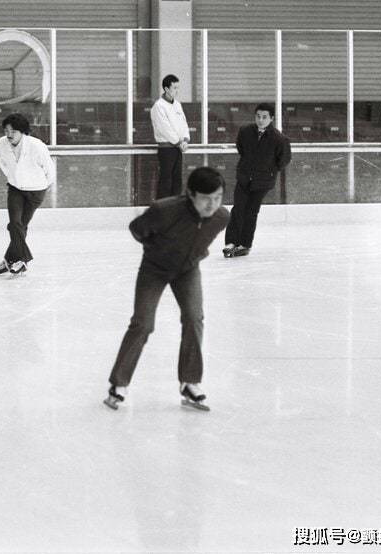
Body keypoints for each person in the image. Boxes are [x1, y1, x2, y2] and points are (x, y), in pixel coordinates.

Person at [104, 167, 229, 412]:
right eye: (206, 198)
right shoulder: (164, 210)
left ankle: (190, 382)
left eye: (218, 197)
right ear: (191, 194)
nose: (212, 205)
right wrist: (158, 250)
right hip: (155, 268)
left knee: (194, 318)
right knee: (143, 323)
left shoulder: (221, 217)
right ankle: (118, 384)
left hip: (188, 270)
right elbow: (137, 230)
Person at [0, 113, 55, 275]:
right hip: (15, 188)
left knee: (19, 226)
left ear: (22, 132)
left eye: (13, 131)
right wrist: (14, 178)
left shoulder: (36, 146)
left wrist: (42, 186)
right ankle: (22, 260)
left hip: (36, 190)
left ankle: (8, 260)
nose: (9, 135)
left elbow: (49, 169)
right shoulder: (1, 143)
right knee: (15, 224)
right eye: (6, 131)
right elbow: (3, 164)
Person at [223, 103, 291, 258]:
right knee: (238, 208)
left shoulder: (279, 139)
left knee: (251, 212)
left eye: (264, 117)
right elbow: (241, 149)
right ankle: (231, 242)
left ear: (271, 118)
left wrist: (269, 170)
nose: (261, 120)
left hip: (263, 182)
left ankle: (244, 244)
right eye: (258, 116)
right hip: (244, 177)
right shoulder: (245, 132)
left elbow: (284, 159)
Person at [150, 74, 191, 199]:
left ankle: (175, 208)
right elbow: (165, 128)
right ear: (166, 89)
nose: (177, 91)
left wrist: (185, 140)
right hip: (167, 149)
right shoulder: (158, 106)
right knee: (166, 180)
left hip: (178, 148)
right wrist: (178, 142)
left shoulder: (177, 105)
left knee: (177, 180)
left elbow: (183, 124)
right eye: (174, 88)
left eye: (178, 88)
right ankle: (162, 210)